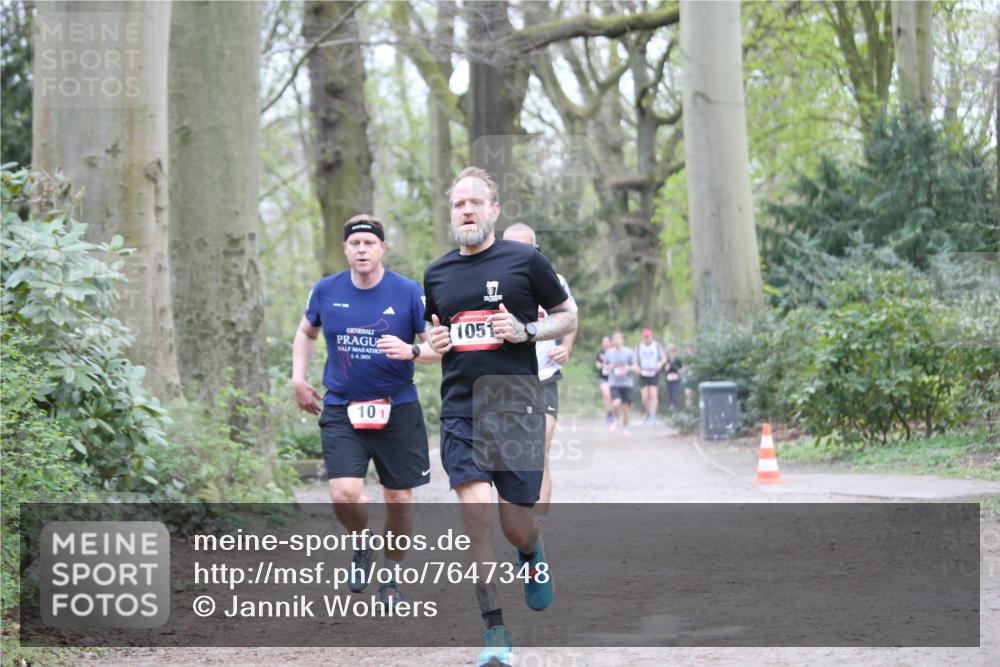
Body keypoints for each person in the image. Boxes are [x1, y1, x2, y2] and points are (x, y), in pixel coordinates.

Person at [424, 167, 577, 667]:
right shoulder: (438, 274)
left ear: (495, 209)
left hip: (515, 408)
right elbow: (434, 336)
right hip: (461, 410)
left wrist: (528, 329)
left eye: (474, 202)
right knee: (475, 516)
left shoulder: (525, 260)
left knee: (516, 525)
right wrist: (435, 342)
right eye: (457, 204)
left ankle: (531, 553)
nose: (465, 210)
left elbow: (568, 317)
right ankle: (495, 633)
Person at [291, 214, 441, 610]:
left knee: (399, 499)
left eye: (369, 244)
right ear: (345, 249)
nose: (361, 250)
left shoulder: (407, 292)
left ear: (382, 249)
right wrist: (298, 378)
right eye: (354, 244)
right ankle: (362, 543)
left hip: (397, 407)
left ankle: (390, 579)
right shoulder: (325, 290)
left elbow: (436, 349)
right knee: (343, 493)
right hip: (342, 407)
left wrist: (410, 350)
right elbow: (306, 333)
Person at [501, 222, 578, 530]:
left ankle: (538, 526)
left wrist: (566, 348)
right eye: (510, 247)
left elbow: (571, 318)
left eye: (524, 247)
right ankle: (515, 519)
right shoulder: (492, 282)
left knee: (540, 450)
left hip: (543, 376)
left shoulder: (553, 281)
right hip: (505, 380)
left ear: (535, 250)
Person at [603, 331, 637, 435]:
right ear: (612, 341)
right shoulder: (608, 353)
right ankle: (615, 421)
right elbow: (604, 368)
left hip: (627, 384)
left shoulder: (629, 352)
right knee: (616, 403)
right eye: (614, 339)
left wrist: (628, 367)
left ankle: (625, 428)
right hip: (614, 383)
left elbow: (635, 367)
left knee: (626, 409)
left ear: (622, 340)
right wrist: (610, 367)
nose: (616, 340)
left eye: (618, 338)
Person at [635, 327, 666, 426]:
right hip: (643, 372)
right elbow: (633, 359)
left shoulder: (656, 345)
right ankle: (648, 412)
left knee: (653, 395)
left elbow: (664, 358)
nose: (646, 338)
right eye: (645, 337)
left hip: (653, 372)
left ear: (651, 336)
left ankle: (653, 416)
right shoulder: (639, 347)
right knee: (644, 397)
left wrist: (660, 364)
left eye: (648, 336)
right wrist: (636, 367)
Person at [596, 336, 613, 425]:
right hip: (603, 378)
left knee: (611, 397)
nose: (606, 344)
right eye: (604, 342)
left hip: (614, 378)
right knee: (607, 395)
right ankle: (609, 414)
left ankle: (612, 413)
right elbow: (598, 365)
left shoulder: (614, 353)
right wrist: (605, 366)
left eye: (607, 342)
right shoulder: (600, 353)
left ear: (610, 343)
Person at [664, 344, 684, 413]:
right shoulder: (667, 360)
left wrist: (678, 370)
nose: (671, 354)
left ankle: (676, 408)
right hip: (669, 380)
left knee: (675, 394)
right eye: (670, 352)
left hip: (676, 379)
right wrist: (667, 367)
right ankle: (671, 407)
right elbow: (664, 370)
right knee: (670, 394)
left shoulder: (678, 360)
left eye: (673, 352)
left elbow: (681, 369)